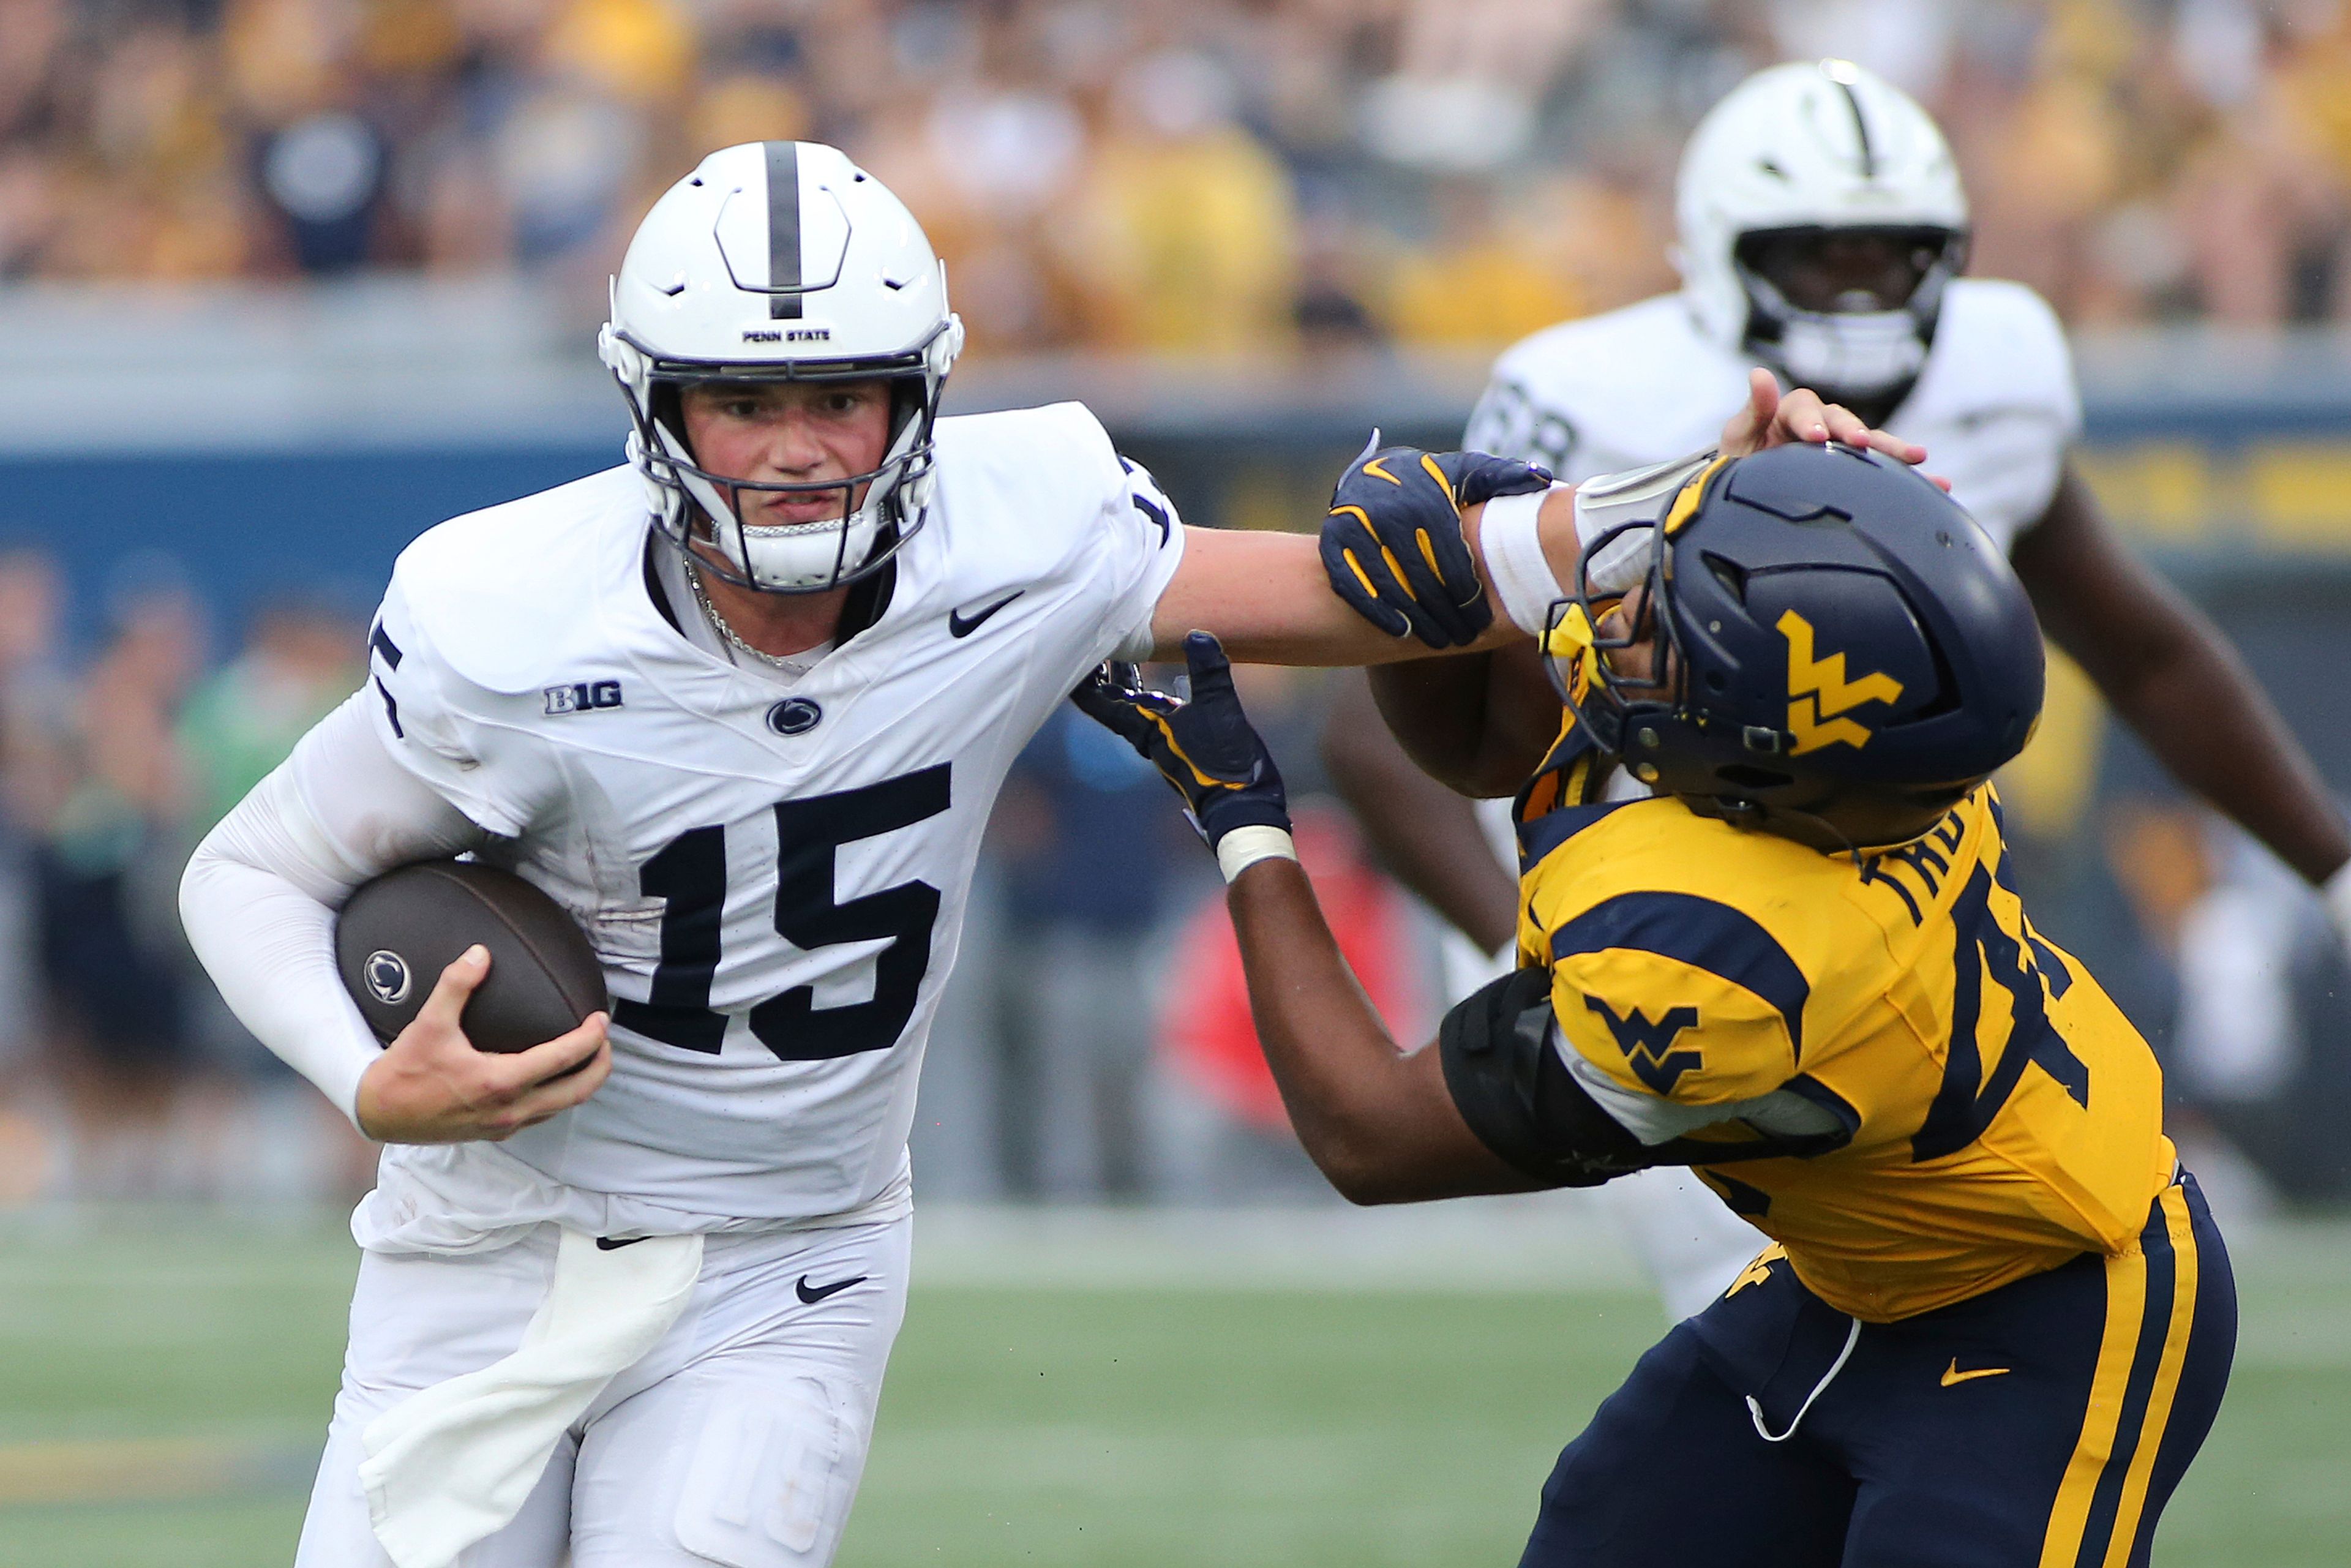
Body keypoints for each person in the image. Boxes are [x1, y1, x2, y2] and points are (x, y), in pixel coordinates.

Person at [175, 140, 1897, 1568]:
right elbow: (248, 872)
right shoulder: (503, 615)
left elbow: (1377, 586)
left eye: (846, 395)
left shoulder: (1027, 523)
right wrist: (363, 1078)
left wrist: (1693, 497)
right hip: (490, 1241)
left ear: (919, 396)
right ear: (655, 410)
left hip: (790, 1251)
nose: (797, 446)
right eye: (744, 401)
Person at [1320, 56, 2351, 1319]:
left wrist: (2336, 865)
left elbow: (2141, 649)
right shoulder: (1588, 399)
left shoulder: (2004, 367)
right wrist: (1521, 948)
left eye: (1891, 255)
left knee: (1928, 1264)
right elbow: (1409, 729)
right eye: (1818, 257)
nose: (1858, 294)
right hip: (1624, 883)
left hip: (1864, 896)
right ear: (1715, 254)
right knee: (1749, 1290)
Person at [1089, 442, 2233, 1568]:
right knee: (1605, 1526)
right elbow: (1491, 741)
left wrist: (1244, 822)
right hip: (1852, 1270)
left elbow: (1369, 1131)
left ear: (1750, 762)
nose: (1618, 623)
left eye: (1670, 638)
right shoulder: (1846, 762)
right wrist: (1447, 550)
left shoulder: (1723, 963)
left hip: (2056, 1298)